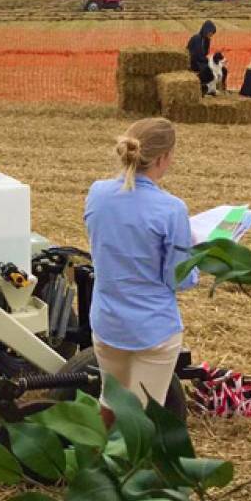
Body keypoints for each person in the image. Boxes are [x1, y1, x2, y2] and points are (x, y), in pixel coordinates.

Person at [83, 117, 198, 415]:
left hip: (108, 322)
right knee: (143, 417)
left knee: (109, 403)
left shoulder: (97, 193)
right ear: (163, 157)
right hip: (153, 329)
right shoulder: (172, 209)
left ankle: (97, 458)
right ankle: (132, 462)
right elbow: (179, 278)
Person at [187, 20, 216, 87]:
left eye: (212, 33)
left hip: (200, 61)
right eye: (211, 32)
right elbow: (196, 54)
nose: (211, 34)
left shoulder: (206, 40)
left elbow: (205, 53)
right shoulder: (197, 38)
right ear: (206, 30)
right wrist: (206, 60)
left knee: (211, 71)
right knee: (207, 71)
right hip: (193, 61)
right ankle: (200, 85)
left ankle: (203, 86)